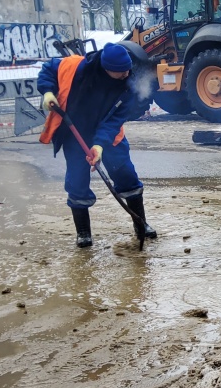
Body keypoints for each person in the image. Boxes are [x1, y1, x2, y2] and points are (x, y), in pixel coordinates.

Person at [37, 43, 156, 248]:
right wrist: (47, 92)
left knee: (125, 173)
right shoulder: (75, 66)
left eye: (128, 70)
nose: (126, 74)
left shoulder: (128, 86)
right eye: (120, 71)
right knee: (77, 180)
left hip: (108, 136)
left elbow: (113, 122)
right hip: (74, 133)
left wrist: (99, 146)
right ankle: (83, 233)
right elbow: (48, 69)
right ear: (105, 68)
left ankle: (140, 223)